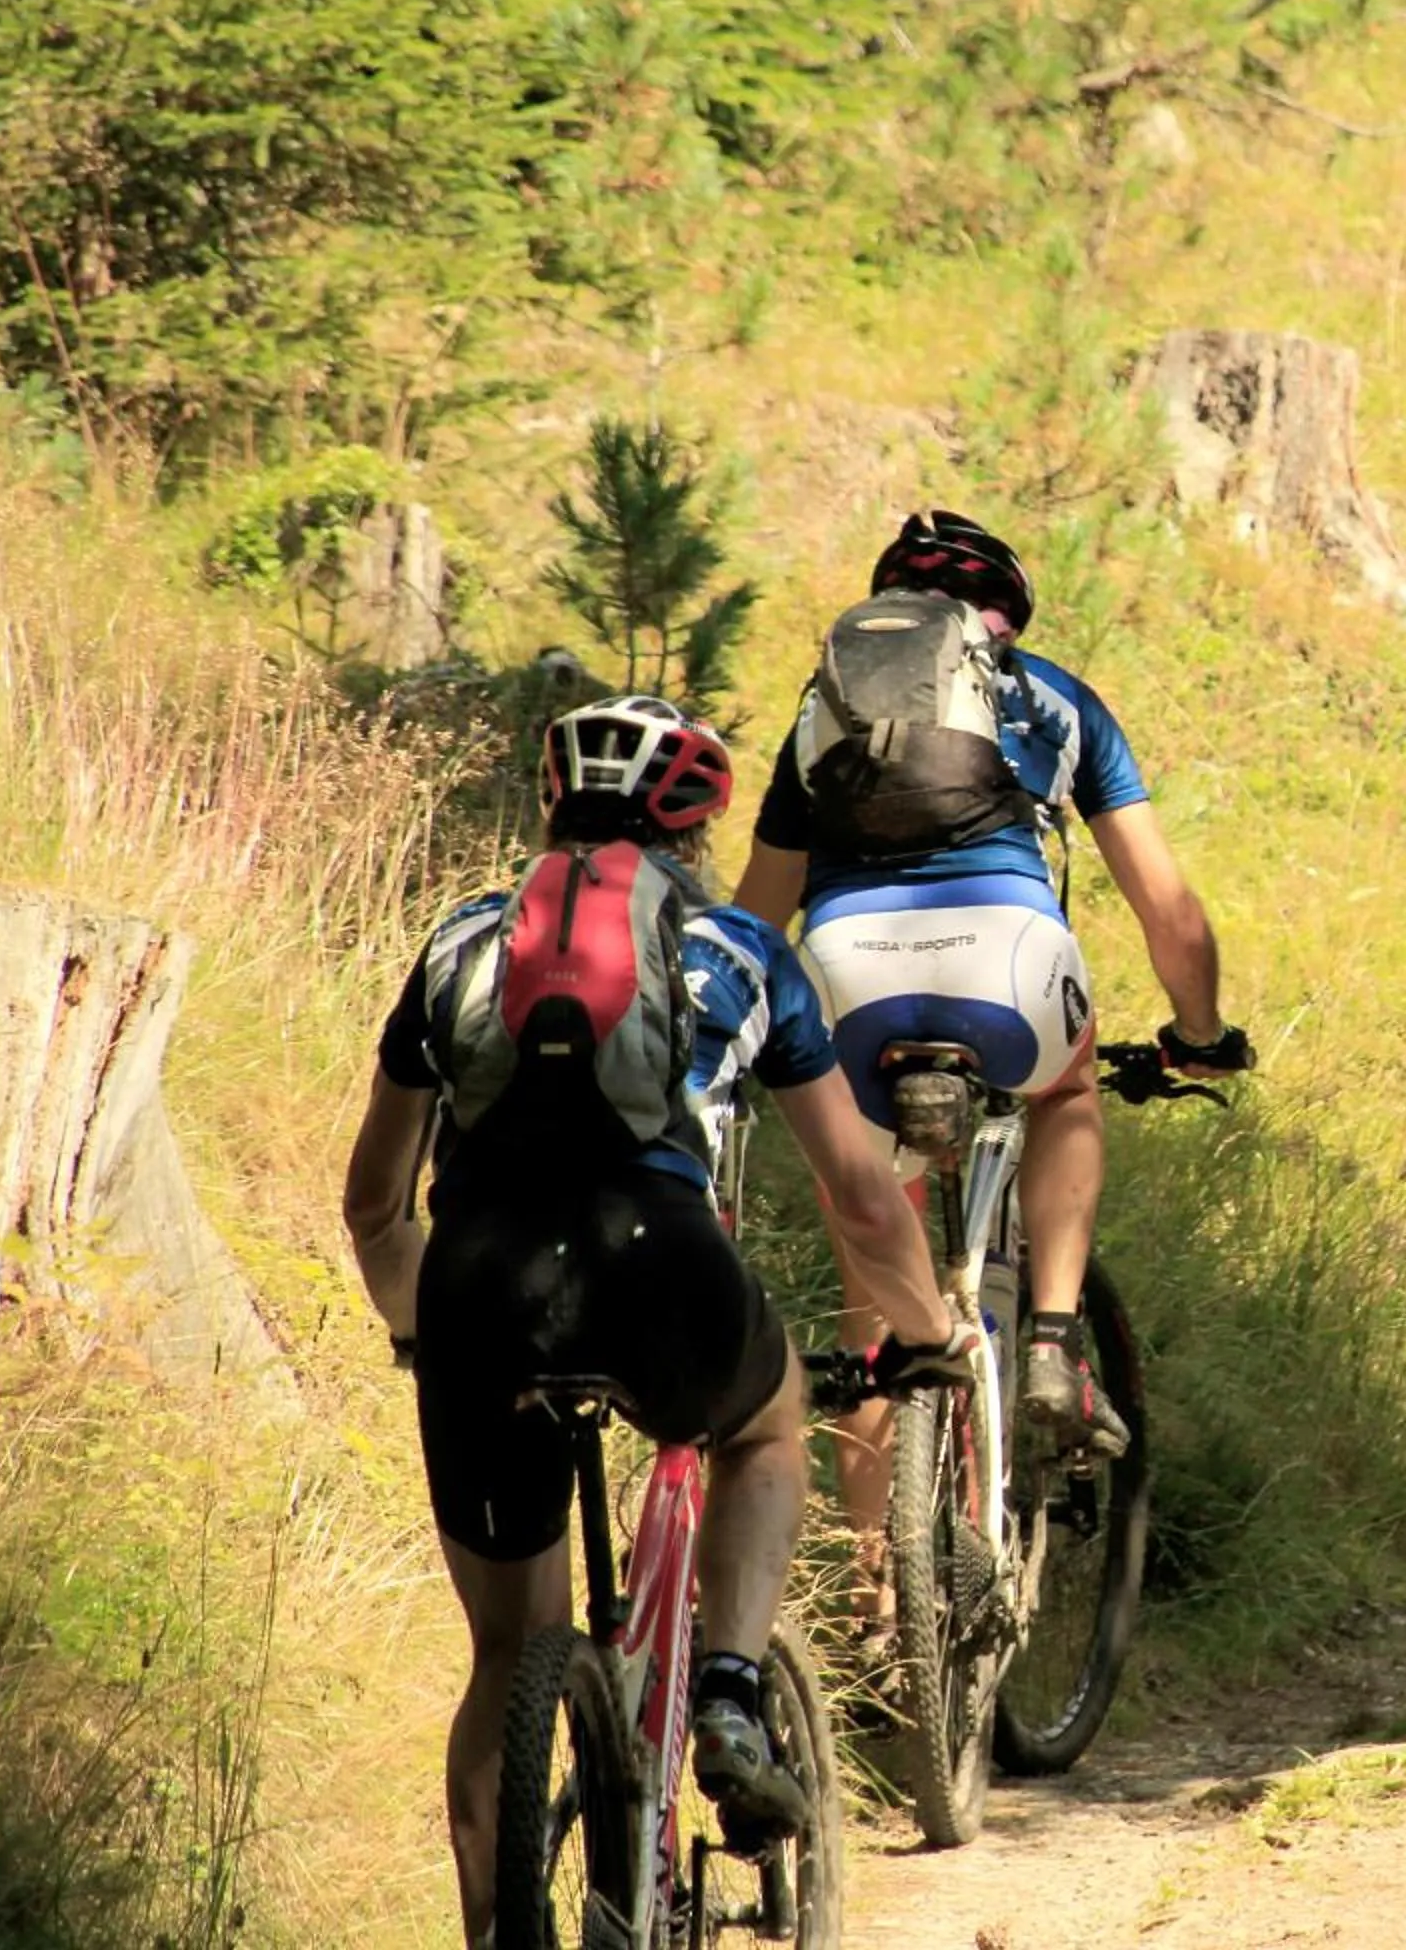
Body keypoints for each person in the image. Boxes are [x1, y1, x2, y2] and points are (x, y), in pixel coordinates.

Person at [340, 695, 966, 1950]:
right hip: (660, 1262)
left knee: (506, 1653)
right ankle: (729, 1694)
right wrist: (931, 1327)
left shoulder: (458, 944)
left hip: (477, 1280)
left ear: (551, 804)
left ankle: (494, 1932)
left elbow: (372, 1203)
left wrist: (429, 1332)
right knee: (767, 1422)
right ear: (697, 822)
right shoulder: (739, 950)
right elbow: (857, 1191)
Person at [732, 510, 1251, 1553]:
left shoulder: (820, 713)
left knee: (876, 1297)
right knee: (1063, 1092)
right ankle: (1053, 1335)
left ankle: (883, 1595)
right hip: (1006, 960)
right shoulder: (1055, 698)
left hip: (848, 973)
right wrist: (1199, 1032)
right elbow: (1172, 914)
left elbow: (756, 919)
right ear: (1005, 615)